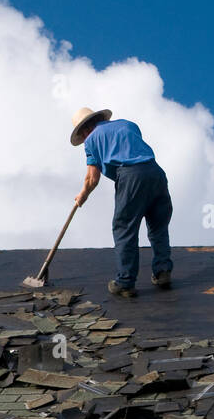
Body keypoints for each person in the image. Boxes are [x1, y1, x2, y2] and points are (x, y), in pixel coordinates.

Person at [69, 106, 174, 298]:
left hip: (130, 176)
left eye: (82, 135)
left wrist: (83, 195)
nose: (84, 138)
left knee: (124, 227)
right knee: (158, 226)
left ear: (84, 130)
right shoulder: (128, 125)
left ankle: (125, 282)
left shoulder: (91, 140)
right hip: (156, 173)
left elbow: (92, 179)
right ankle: (163, 272)